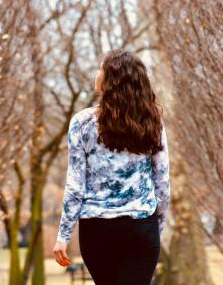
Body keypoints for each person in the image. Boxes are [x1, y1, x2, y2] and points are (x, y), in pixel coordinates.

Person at [52, 48, 171, 285]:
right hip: (141, 226)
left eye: (100, 70)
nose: (97, 74)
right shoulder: (152, 122)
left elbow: (75, 185)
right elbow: (162, 182)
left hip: (97, 231)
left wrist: (63, 236)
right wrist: (158, 227)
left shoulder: (82, 123)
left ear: (110, 80)